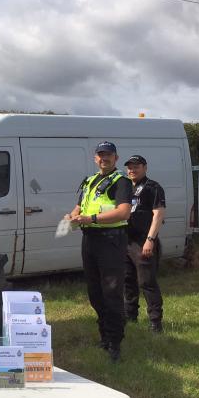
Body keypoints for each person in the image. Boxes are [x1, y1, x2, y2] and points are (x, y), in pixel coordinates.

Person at [65, 141, 133, 363]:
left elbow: (124, 212)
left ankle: (115, 342)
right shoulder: (90, 180)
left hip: (111, 241)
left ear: (116, 158)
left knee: (111, 292)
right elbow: (79, 206)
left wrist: (91, 219)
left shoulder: (121, 181)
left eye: (108, 155)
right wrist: (72, 216)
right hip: (90, 239)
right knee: (95, 292)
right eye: (100, 155)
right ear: (95, 158)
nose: (104, 159)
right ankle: (104, 335)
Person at [123, 155, 166, 334]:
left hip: (143, 241)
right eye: (130, 167)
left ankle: (155, 321)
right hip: (125, 241)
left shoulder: (153, 187)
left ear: (145, 167)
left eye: (136, 166)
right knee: (127, 281)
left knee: (147, 282)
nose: (132, 170)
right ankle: (130, 316)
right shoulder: (124, 187)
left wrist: (150, 240)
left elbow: (158, 215)